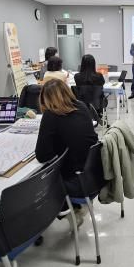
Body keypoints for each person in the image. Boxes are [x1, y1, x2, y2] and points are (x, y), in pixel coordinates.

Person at [35, 79, 98, 226]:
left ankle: (67, 210)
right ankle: (73, 209)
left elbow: (42, 155)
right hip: (93, 174)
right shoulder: (82, 106)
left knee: (37, 178)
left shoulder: (50, 115)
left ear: (46, 99)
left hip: (76, 182)